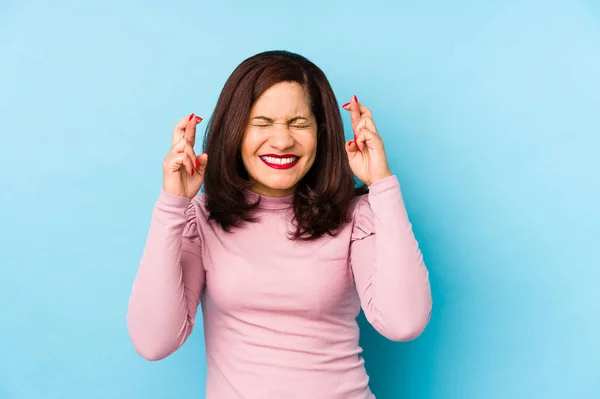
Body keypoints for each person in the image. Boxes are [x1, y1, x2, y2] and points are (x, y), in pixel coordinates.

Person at [126, 50, 432, 399]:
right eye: (262, 123)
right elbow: (154, 342)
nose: (283, 140)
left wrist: (382, 185)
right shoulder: (202, 217)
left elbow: (404, 323)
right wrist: (172, 205)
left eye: (299, 124)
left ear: (321, 132)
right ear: (235, 131)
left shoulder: (356, 215)